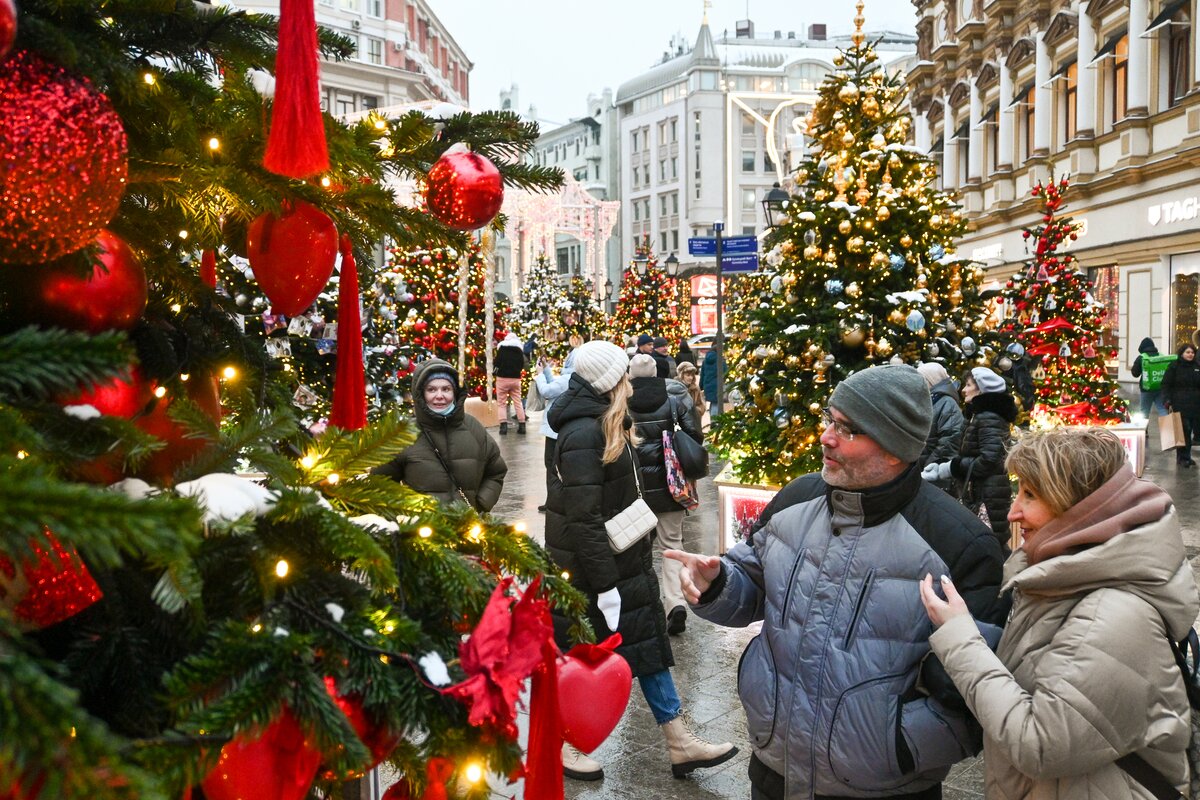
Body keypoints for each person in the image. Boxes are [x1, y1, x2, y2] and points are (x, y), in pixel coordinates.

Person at [666, 365, 1006, 800]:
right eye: (830, 420)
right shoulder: (796, 499)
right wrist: (717, 583)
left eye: (847, 429)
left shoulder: (959, 543)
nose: (826, 436)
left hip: (884, 788)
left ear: (895, 447)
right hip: (774, 770)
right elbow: (750, 588)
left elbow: (969, 691)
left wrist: (896, 748)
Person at [920, 426, 1199, 800]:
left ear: (1080, 507)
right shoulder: (1066, 575)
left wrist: (960, 639)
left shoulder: (1115, 612)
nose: (1015, 511)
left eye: (1031, 495)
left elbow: (1041, 745)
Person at [545, 341, 736, 782]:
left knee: (649, 650)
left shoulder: (606, 422)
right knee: (581, 655)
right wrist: (607, 583)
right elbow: (583, 516)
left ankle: (678, 741)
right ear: (610, 381)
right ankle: (563, 743)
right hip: (593, 569)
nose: (630, 381)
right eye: (624, 374)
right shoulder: (583, 432)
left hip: (620, 560)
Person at [628, 354, 704, 636]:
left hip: (634, 489)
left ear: (630, 374)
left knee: (637, 548)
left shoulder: (621, 398)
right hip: (671, 486)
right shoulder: (675, 394)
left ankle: (645, 606)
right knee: (672, 545)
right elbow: (694, 434)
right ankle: (674, 602)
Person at [374, 360, 506, 512]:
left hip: (468, 529)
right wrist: (405, 512)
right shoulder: (403, 434)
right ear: (421, 394)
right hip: (421, 530)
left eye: (446, 389)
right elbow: (380, 483)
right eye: (431, 390)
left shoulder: (472, 428)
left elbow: (495, 472)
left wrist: (481, 504)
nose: (439, 396)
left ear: (455, 392)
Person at [923, 367, 1016, 548]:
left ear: (981, 389)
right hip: (979, 492)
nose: (963, 390)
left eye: (968, 385)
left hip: (988, 496)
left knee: (988, 545)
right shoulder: (977, 416)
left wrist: (951, 467)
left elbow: (989, 460)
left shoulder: (989, 418)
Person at [533, 334, 583, 512]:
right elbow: (554, 385)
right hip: (562, 429)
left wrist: (539, 375)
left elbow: (547, 391)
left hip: (555, 430)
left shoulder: (569, 379)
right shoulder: (573, 378)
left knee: (552, 467)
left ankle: (553, 501)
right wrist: (546, 370)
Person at [916, 362, 964, 494]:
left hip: (934, 474)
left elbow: (950, 440)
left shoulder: (945, 403)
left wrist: (929, 467)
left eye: (922, 380)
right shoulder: (931, 400)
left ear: (931, 380)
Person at [1162, 343, 1200, 468]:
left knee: (1191, 431)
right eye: (1188, 352)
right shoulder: (1174, 366)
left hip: (1195, 404)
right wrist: (1167, 400)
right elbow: (1166, 384)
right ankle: (1183, 457)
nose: (1190, 355)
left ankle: (1186, 456)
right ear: (1182, 353)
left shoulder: (1197, 366)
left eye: (1192, 353)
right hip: (1180, 403)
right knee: (1184, 430)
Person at [494, 331, 526, 435]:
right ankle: (522, 425)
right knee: (518, 402)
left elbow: (496, 363)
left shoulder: (502, 349)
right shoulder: (519, 350)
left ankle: (503, 427)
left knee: (501, 403)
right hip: (515, 379)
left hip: (502, 378)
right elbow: (522, 364)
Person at [1130, 336, 1168, 419]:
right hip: (1159, 387)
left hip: (1146, 389)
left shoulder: (1142, 357)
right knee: (1162, 409)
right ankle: (1167, 430)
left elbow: (1135, 373)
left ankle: (1144, 431)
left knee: (1144, 411)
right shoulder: (1161, 356)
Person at [675, 361, 706, 431]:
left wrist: (694, 410)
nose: (691, 378)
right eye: (688, 375)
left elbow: (701, 406)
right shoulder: (674, 388)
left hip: (693, 425)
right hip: (679, 426)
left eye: (692, 375)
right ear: (681, 375)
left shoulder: (695, 389)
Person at [700, 343, 723, 421]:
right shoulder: (721, 360)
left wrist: (701, 386)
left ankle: (712, 420)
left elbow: (702, 374)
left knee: (713, 403)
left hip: (708, 386)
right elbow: (725, 372)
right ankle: (715, 421)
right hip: (718, 386)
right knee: (716, 404)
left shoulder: (705, 360)